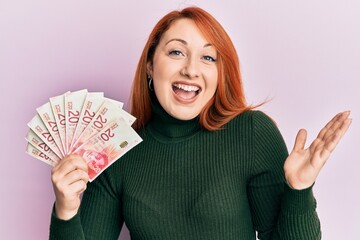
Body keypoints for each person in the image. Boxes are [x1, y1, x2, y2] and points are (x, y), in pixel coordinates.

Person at [49, 6, 351, 239]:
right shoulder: (116, 149)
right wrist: (66, 209)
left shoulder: (253, 133)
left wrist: (299, 189)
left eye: (208, 58)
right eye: (177, 52)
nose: (191, 70)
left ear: (221, 73)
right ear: (151, 65)